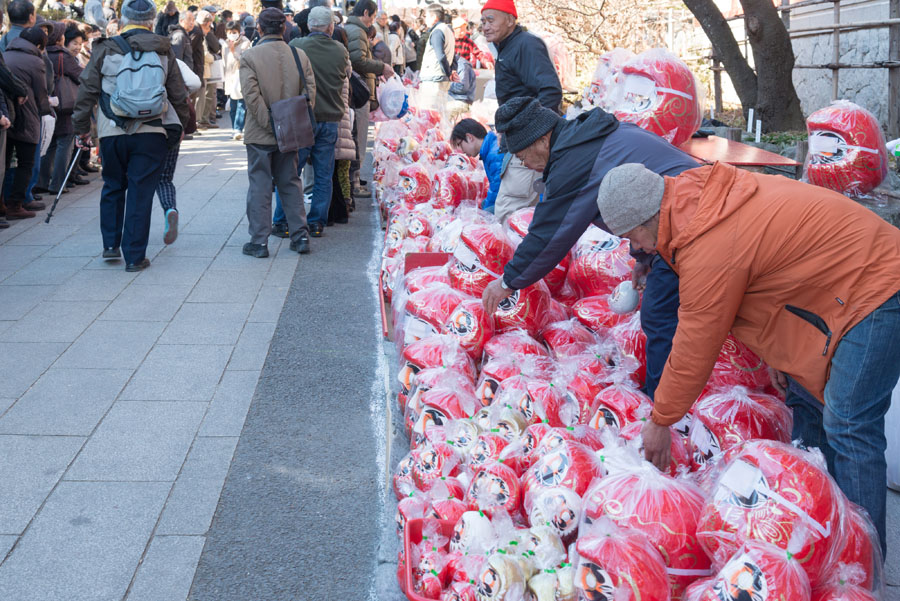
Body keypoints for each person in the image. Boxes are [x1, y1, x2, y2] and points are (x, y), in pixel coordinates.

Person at [597, 161, 900, 555]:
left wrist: (661, 420)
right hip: (840, 287)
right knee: (806, 406)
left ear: (645, 219)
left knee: (847, 425)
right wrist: (778, 351)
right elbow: (773, 271)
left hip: (878, 286)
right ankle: (812, 532)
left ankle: (860, 566)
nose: (636, 247)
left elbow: (694, 345)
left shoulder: (708, 241)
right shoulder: (692, 201)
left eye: (632, 236)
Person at [480, 97, 698, 402]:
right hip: (678, 216)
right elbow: (636, 211)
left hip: (692, 219)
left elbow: (550, 234)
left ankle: (662, 409)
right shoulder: (584, 139)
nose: (524, 164)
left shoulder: (574, 160)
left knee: (659, 314)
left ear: (543, 139)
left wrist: (508, 282)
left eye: (522, 154)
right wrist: (645, 256)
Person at [73, 0, 190, 271]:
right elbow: (178, 93)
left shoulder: (105, 47)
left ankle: (110, 246)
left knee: (113, 185)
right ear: (151, 20)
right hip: (151, 130)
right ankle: (135, 257)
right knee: (141, 191)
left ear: (124, 19)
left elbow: (87, 89)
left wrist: (81, 128)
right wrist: (180, 125)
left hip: (111, 131)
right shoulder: (163, 49)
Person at [239, 7, 312, 257]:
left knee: (260, 184)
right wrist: (286, 122)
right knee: (291, 182)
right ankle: (300, 236)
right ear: (284, 28)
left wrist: (269, 122)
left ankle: (259, 242)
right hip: (290, 129)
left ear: (259, 28)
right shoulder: (299, 55)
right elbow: (309, 94)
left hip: (261, 132)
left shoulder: (250, 56)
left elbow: (251, 96)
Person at [480, 0, 562, 223]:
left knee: (510, 215)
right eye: (483, 21)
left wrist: (531, 136)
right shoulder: (507, 47)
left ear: (510, 20)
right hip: (519, 144)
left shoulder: (526, 44)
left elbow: (551, 92)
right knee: (522, 216)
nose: (485, 26)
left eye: (490, 20)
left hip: (528, 147)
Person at [274, 5, 349, 238]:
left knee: (291, 172)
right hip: (329, 118)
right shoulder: (340, 49)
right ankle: (317, 222)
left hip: (302, 116)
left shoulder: (297, 46)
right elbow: (346, 74)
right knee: (323, 174)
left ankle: (283, 220)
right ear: (330, 27)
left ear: (307, 25)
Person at [344, 0, 392, 197]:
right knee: (358, 139)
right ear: (366, 13)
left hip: (357, 91)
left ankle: (354, 180)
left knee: (355, 138)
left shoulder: (355, 30)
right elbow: (358, 61)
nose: (373, 21)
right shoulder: (357, 32)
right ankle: (354, 182)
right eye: (373, 16)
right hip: (359, 91)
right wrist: (381, 67)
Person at [3, 27, 51, 219]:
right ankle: (16, 204)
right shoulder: (35, 61)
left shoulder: (5, 54)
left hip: (6, 114)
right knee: (26, 162)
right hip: (27, 116)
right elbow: (41, 93)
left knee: (4, 162)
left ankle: (4, 202)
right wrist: (47, 111)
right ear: (39, 45)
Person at [38, 22, 84, 196]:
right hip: (66, 103)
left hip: (49, 101)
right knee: (65, 142)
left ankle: (42, 181)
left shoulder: (43, 52)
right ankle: (57, 184)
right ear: (59, 37)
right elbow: (80, 75)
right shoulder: (62, 55)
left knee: (50, 143)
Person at [450, 119, 502, 214]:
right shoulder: (491, 149)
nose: (461, 150)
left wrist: (486, 211)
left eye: (459, 144)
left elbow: (498, 187)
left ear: (469, 137)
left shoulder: (493, 154)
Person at [418, 4, 453, 111]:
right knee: (438, 115)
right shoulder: (447, 30)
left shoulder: (438, 31)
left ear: (434, 17)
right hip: (438, 78)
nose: (425, 19)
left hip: (434, 79)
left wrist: (449, 72)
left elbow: (441, 56)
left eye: (426, 16)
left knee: (430, 115)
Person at [222, 20, 249, 140]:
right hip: (230, 78)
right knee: (232, 106)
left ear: (239, 32)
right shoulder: (225, 44)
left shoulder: (245, 42)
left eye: (234, 32)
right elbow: (224, 62)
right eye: (230, 32)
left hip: (241, 77)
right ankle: (234, 128)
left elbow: (243, 60)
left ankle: (238, 128)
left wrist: (233, 51)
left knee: (241, 105)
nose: (232, 34)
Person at [195, 10, 220, 128]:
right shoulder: (198, 33)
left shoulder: (205, 33)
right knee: (200, 97)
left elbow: (215, 47)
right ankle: (198, 121)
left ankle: (204, 119)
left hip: (205, 69)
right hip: (201, 68)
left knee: (207, 96)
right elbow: (204, 54)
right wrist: (213, 58)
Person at [446, 55, 475, 120]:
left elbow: (462, 87)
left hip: (460, 101)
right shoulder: (454, 64)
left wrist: (445, 84)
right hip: (453, 100)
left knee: (441, 113)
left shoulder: (462, 65)